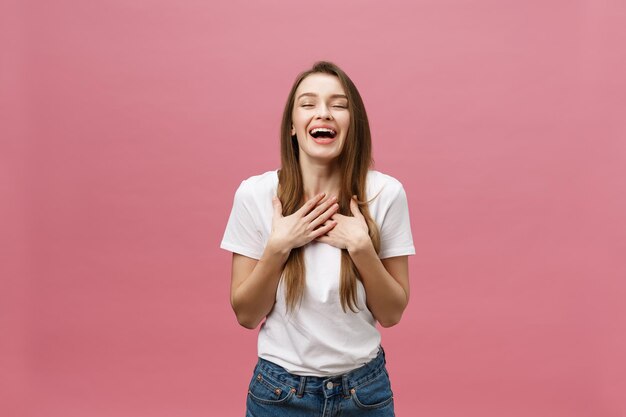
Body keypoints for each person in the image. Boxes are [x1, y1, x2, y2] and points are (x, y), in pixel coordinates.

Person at [220, 60, 416, 417]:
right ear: (292, 126)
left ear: (352, 124)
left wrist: (361, 248)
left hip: (364, 393)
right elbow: (247, 315)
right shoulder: (255, 194)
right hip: (279, 394)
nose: (323, 113)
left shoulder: (386, 193)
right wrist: (279, 247)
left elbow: (391, 314)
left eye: (338, 105)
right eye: (308, 104)